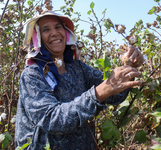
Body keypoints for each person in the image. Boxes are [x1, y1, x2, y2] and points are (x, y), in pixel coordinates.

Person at [15, 11, 144, 150]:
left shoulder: (77, 67)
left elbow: (114, 94)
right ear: (37, 38)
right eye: (46, 29)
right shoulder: (32, 75)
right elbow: (52, 120)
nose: (54, 33)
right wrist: (98, 93)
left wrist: (129, 65)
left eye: (58, 27)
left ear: (66, 33)